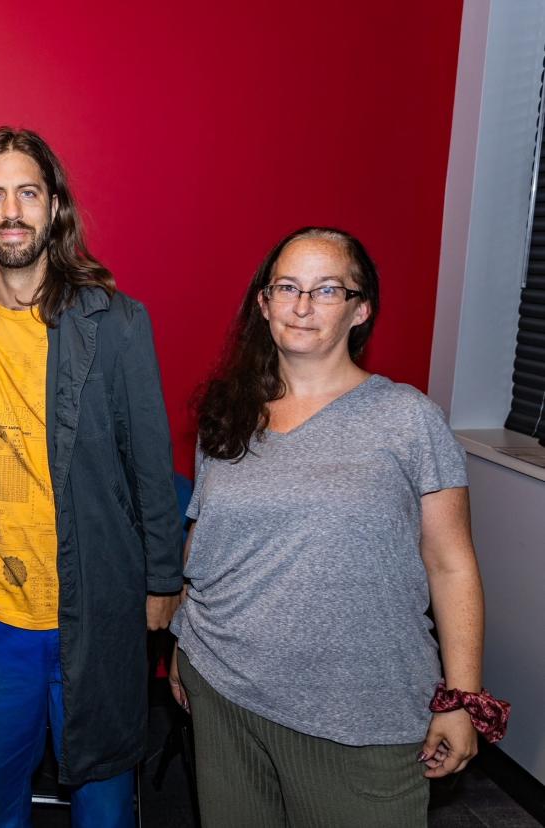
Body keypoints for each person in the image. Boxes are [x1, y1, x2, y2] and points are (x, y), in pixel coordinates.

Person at [169, 227, 509, 827]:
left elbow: (451, 564)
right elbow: (207, 542)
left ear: (361, 308)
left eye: (327, 290)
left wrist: (464, 699)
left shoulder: (407, 419)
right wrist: (181, 645)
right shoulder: (228, 413)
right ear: (263, 302)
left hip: (358, 708)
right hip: (224, 689)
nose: (302, 306)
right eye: (288, 287)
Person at [0, 126, 183, 826]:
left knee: (104, 802)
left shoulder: (118, 322)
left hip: (97, 607)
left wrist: (163, 582)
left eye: (27, 192)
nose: (11, 209)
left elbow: (152, 469)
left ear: (54, 207)